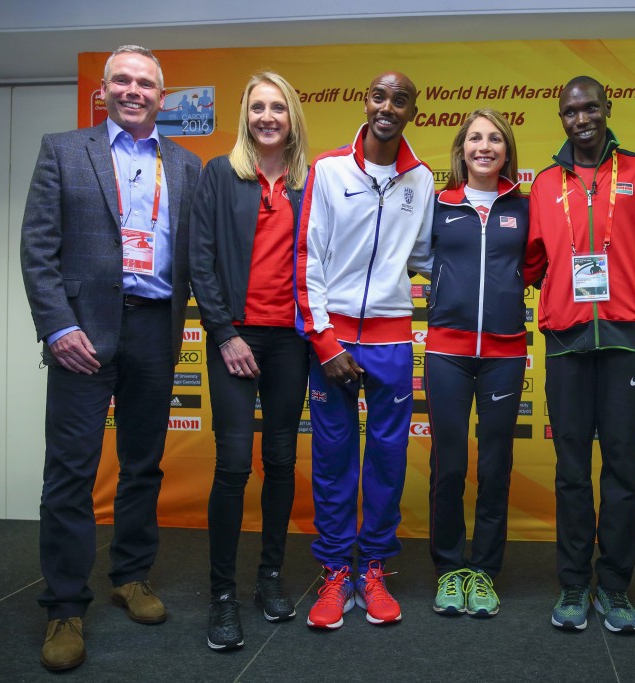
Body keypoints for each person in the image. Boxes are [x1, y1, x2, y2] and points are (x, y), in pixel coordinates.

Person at [20, 45, 202, 671]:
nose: (133, 90)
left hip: (155, 329)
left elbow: (196, 259)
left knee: (143, 464)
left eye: (144, 83)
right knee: (71, 472)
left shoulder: (186, 165)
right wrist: (56, 327)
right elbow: (38, 248)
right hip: (82, 336)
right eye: (121, 80)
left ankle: (130, 576)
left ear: (161, 94)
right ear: (103, 90)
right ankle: (65, 605)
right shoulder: (64, 151)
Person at [523, 77, 635, 633]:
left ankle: (613, 587)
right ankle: (573, 584)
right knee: (570, 472)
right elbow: (530, 261)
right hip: (567, 343)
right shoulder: (545, 183)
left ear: (607, 109)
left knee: (621, 470)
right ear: (561, 118)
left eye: (590, 107)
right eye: (571, 110)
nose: (581, 117)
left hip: (625, 344)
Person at [296, 71, 433, 629]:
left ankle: (372, 568)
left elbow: (424, 256)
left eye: (401, 99)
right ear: (366, 101)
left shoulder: (421, 179)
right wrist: (325, 342)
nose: (388, 107)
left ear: (411, 112)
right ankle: (333, 571)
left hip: (392, 338)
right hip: (334, 341)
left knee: (386, 459)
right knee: (331, 459)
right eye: (380, 96)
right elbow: (308, 263)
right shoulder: (329, 170)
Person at [189, 72, 310, 651]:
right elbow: (201, 258)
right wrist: (223, 333)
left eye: (278, 107)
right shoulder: (220, 173)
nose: (268, 116)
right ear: (246, 115)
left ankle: (269, 578)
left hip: (291, 342)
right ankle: (222, 596)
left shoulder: (310, 182)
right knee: (234, 465)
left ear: (292, 119)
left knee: (282, 462)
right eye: (258, 106)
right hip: (234, 339)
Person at [425, 109, 528, 619]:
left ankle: (484, 570)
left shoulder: (524, 207)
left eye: (494, 139)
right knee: (449, 465)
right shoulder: (438, 205)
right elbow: (417, 258)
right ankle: (449, 568)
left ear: (507, 150)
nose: (483, 146)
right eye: (474, 138)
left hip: (505, 353)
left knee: (494, 467)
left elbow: (535, 265)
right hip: (447, 351)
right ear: (461, 149)